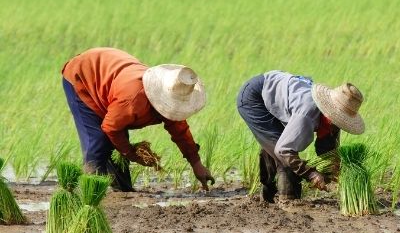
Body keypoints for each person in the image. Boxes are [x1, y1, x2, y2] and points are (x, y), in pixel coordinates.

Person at [61, 47, 214, 192]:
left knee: (117, 146)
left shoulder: (171, 104)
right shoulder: (133, 99)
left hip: (111, 84)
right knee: (98, 142)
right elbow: (111, 127)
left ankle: (123, 191)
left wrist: (196, 164)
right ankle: (89, 197)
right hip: (83, 76)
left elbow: (180, 131)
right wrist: (132, 153)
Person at [237, 71, 365, 202]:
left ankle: (268, 196)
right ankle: (289, 200)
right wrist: (312, 174)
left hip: (276, 89)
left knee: (277, 142)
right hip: (254, 98)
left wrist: (334, 166)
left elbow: (327, 148)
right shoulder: (307, 115)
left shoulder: (331, 121)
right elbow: (284, 151)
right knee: (283, 156)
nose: (338, 124)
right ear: (330, 114)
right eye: (338, 120)